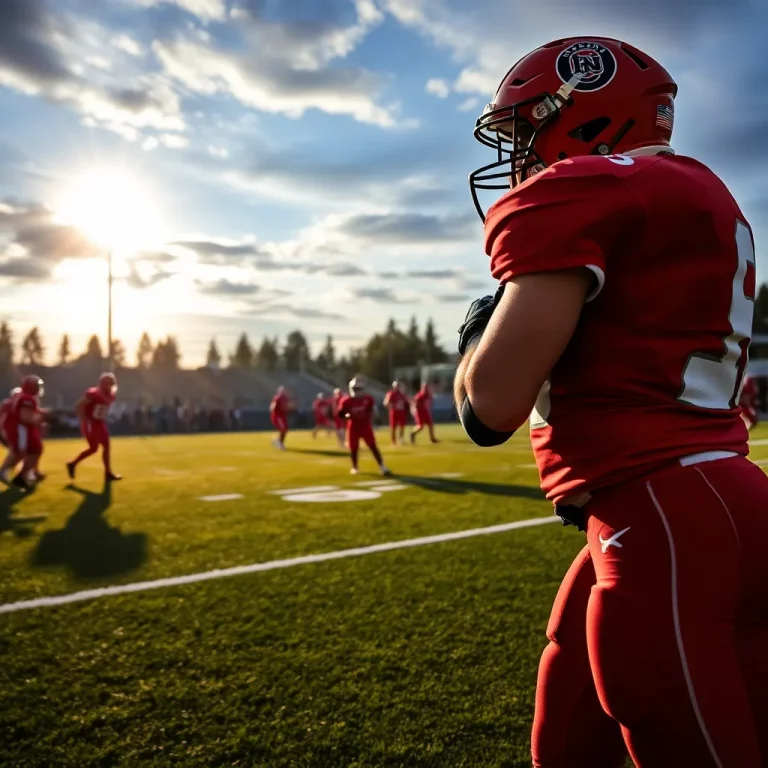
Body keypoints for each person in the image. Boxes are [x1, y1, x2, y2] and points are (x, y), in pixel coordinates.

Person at [453, 36, 767, 767]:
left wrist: (474, 341)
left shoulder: (587, 188)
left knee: (667, 718)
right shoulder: (705, 193)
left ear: (585, 113)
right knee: (571, 697)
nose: (520, 156)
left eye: (526, 130)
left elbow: (492, 407)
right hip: (722, 497)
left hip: (660, 515)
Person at [66, 372, 122, 482]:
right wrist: (83, 421)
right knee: (93, 448)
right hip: (91, 423)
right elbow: (79, 406)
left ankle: (108, 473)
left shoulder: (110, 395)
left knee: (106, 446)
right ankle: (72, 464)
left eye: (112, 384)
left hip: (100, 423)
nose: (111, 387)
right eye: (109, 384)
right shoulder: (94, 394)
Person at [337, 376, 391, 476]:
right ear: (351, 389)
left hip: (365, 426)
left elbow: (372, 411)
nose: (357, 391)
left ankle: (383, 467)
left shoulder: (368, 399)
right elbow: (340, 414)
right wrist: (347, 415)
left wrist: (374, 413)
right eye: (355, 389)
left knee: (373, 446)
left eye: (359, 389)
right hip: (353, 427)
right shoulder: (346, 401)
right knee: (353, 448)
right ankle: (355, 467)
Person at [2, 375, 47, 490]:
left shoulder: (24, 397)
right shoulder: (27, 399)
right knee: (21, 452)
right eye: (37, 386)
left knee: (35, 449)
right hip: (20, 428)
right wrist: (38, 422)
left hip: (20, 428)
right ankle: (7, 472)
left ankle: (22, 476)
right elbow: (25, 417)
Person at [383, 380, 409, 445]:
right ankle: (393, 440)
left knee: (402, 426)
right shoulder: (391, 393)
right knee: (393, 426)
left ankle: (401, 439)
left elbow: (406, 401)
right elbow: (386, 403)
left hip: (401, 411)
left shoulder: (402, 394)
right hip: (394, 411)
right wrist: (390, 407)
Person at [270, 385, 292, 450]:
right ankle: (280, 443)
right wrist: (272, 409)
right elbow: (273, 405)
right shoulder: (277, 397)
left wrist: (289, 407)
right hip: (277, 416)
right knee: (283, 429)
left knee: (285, 430)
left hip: (283, 416)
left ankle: (278, 442)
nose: (283, 391)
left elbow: (287, 406)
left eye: (284, 390)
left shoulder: (286, 398)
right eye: (281, 390)